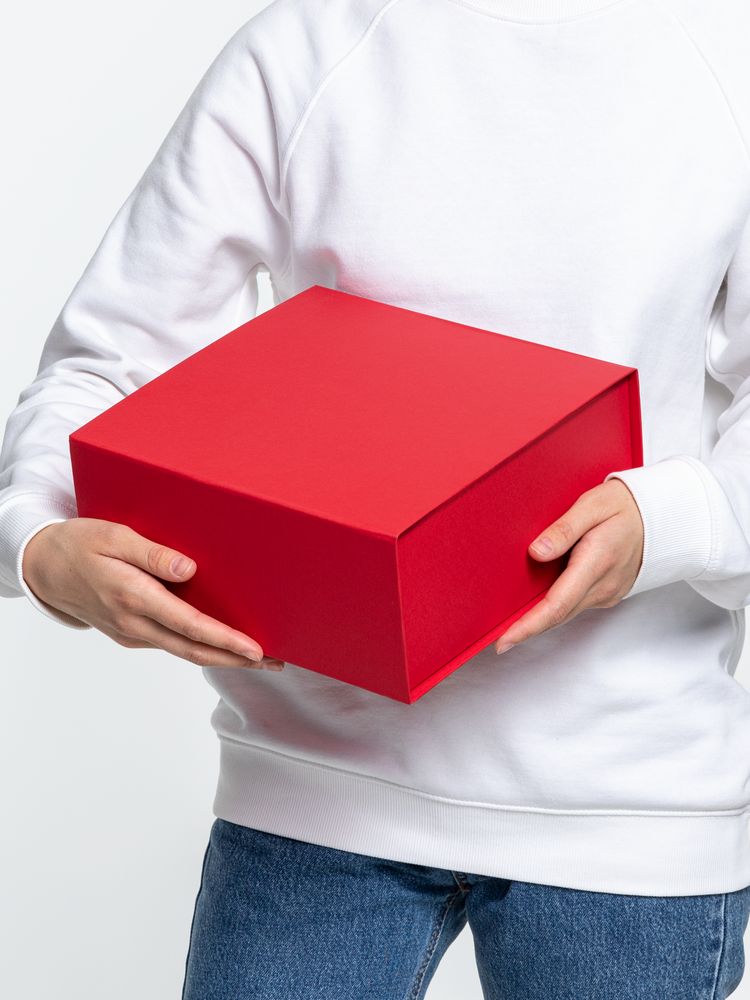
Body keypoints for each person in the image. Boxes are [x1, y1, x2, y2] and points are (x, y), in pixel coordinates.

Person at [2, 0, 750, 996]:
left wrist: (669, 521)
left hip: (627, 811)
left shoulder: (721, 64)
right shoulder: (307, 47)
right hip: (313, 790)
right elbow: (109, 360)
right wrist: (38, 540)